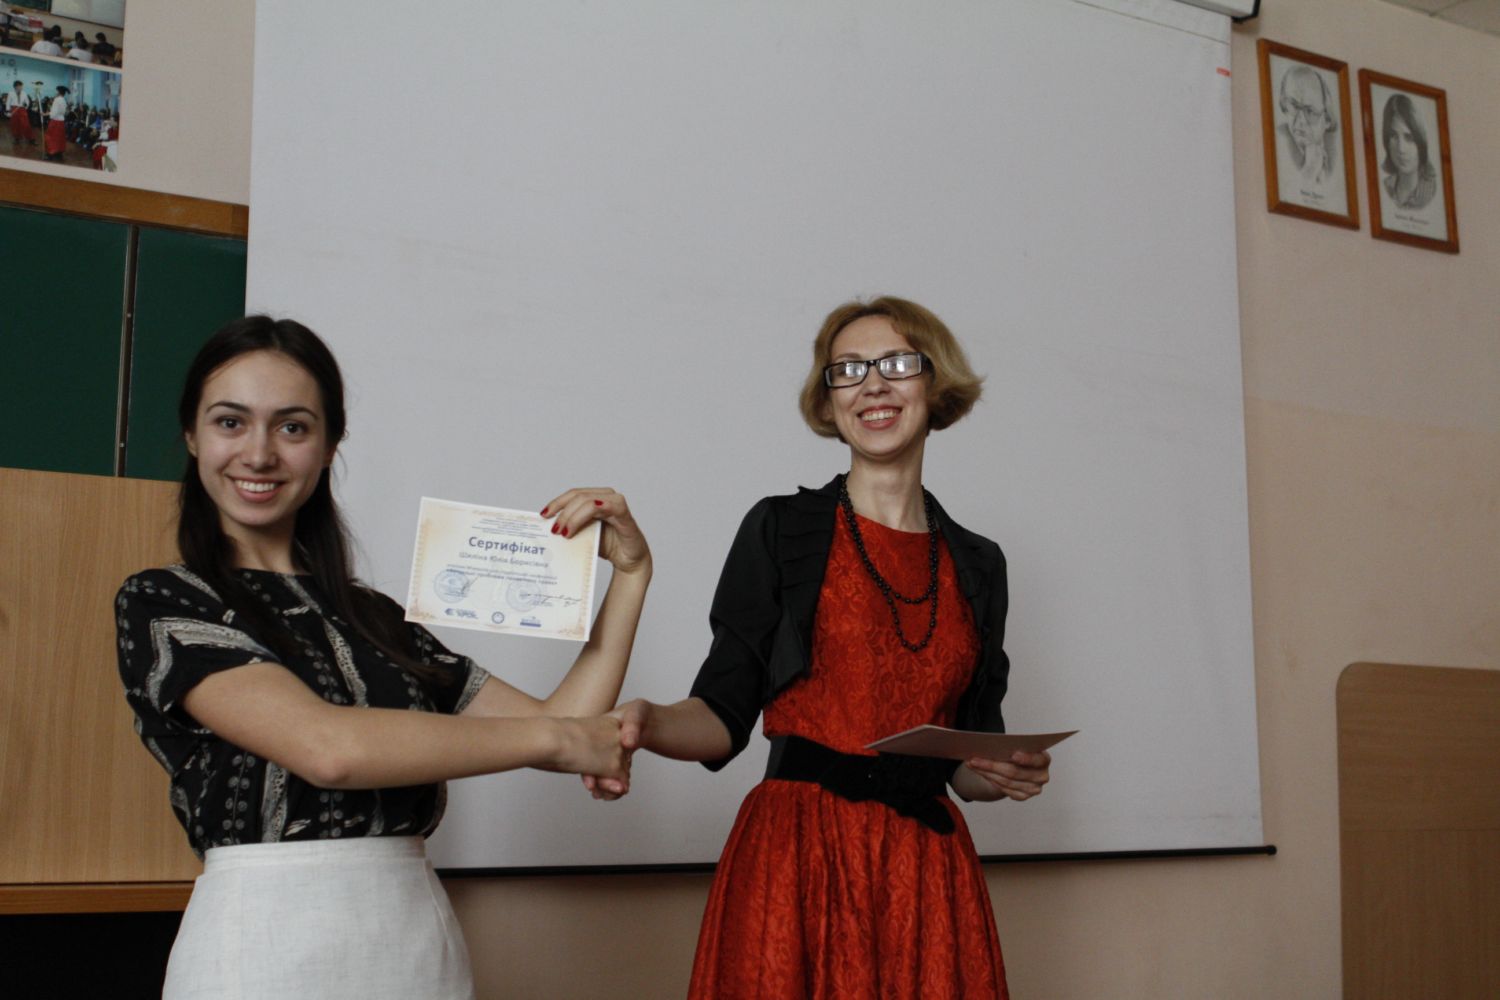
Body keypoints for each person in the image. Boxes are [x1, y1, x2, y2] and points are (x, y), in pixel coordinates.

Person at [115, 315, 652, 999]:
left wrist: (631, 576)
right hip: (257, 947)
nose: (258, 453)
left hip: (414, 939)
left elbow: (559, 726)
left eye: (292, 427)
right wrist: (563, 740)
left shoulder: (377, 618)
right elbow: (327, 749)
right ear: (192, 435)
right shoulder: (164, 600)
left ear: (329, 445)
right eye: (230, 422)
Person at [589, 297, 1051, 998]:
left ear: (935, 385)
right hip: (796, 854)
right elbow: (722, 715)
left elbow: (967, 765)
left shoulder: (980, 565)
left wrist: (1006, 771)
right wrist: (647, 722)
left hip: (925, 872)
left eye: (897, 364)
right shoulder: (780, 529)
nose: (873, 384)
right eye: (848, 370)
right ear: (830, 400)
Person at [1277, 64, 1337, 188]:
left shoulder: (1335, 161)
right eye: (1293, 106)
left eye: (1310, 111)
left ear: (1326, 119)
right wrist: (1309, 172)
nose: (1301, 121)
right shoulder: (1278, 145)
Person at [1381, 92, 1438, 210]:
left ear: (1421, 142)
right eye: (1394, 136)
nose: (1401, 149)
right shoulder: (1384, 187)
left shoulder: (1433, 192)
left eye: (1409, 138)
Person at [6, 79, 36, 149]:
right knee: (15, 125)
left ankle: (31, 139)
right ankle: (17, 138)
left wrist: (26, 106)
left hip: (22, 110)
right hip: (14, 109)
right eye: (20, 86)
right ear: (16, 87)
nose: (21, 87)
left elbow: (27, 102)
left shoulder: (24, 93)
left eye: (21, 86)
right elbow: (8, 102)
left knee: (26, 125)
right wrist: (8, 111)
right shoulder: (11, 93)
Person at [43, 84, 65, 161]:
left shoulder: (57, 99)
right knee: (59, 138)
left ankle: (50, 154)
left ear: (59, 92)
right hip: (61, 122)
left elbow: (54, 113)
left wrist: (48, 115)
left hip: (55, 122)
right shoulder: (63, 100)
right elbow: (60, 112)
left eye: (56, 91)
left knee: (50, 137)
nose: (55, 93)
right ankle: (59, 154)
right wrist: (46, 114)